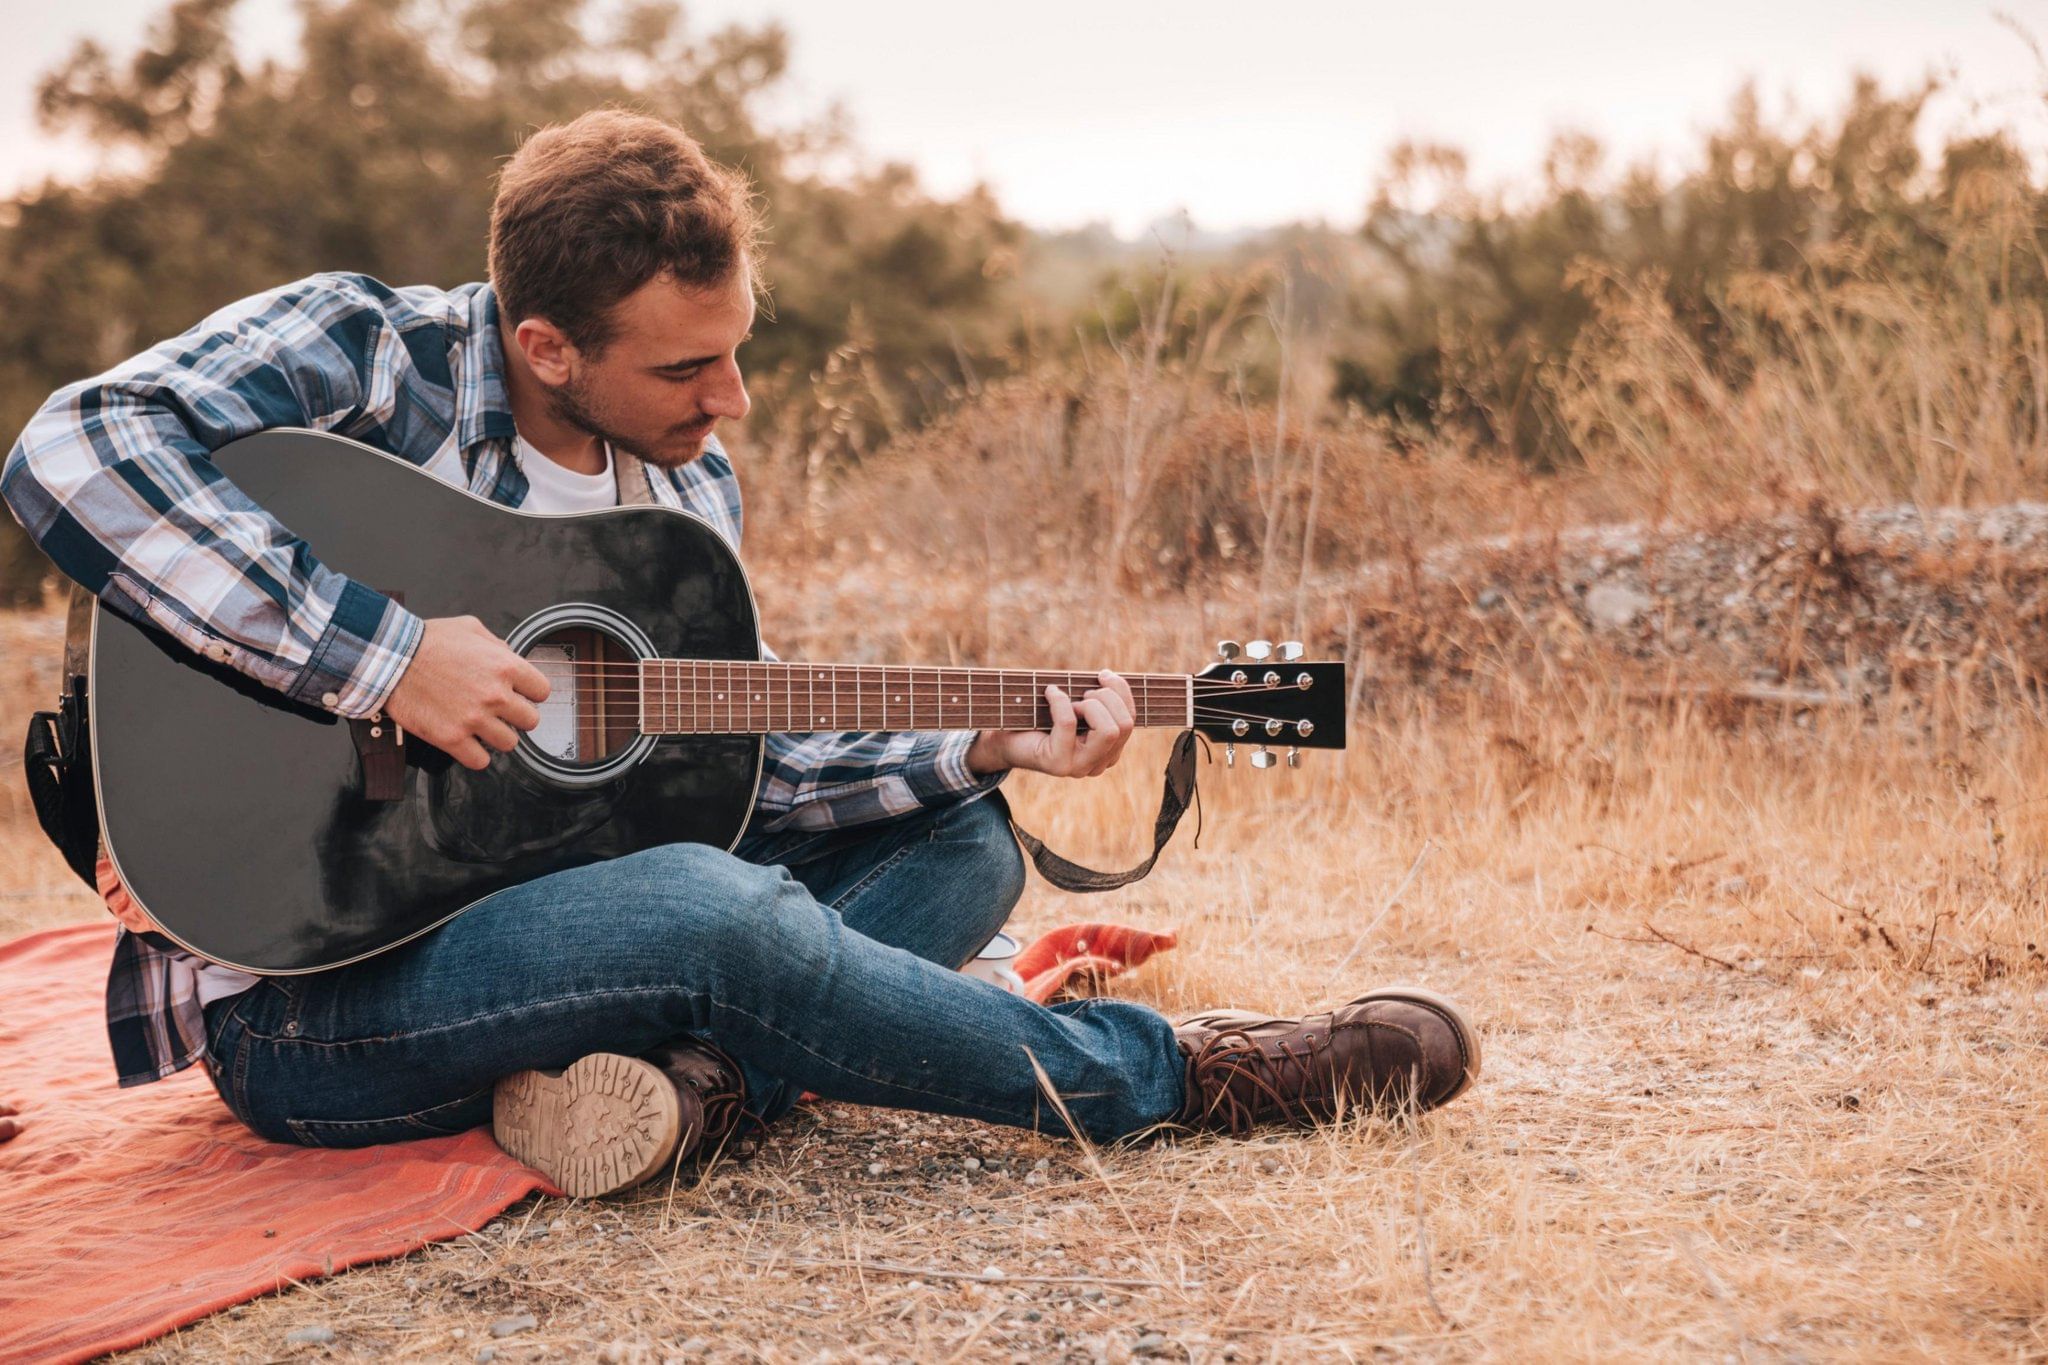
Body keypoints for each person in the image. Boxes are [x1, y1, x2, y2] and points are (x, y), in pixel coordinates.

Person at [1, 109, 1480, 1197]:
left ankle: (683, 1089)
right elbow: (73, 448)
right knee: (709, 913)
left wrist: (983, 740)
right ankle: (1177, 1076)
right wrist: (381, 657)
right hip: (316, 1001)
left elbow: (719, 770)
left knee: (964, 844)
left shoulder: (686, 492)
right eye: (686, 366)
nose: (738, 397)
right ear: (546, 345)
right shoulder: (372, 354)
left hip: (585, 926)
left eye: (738, 346)